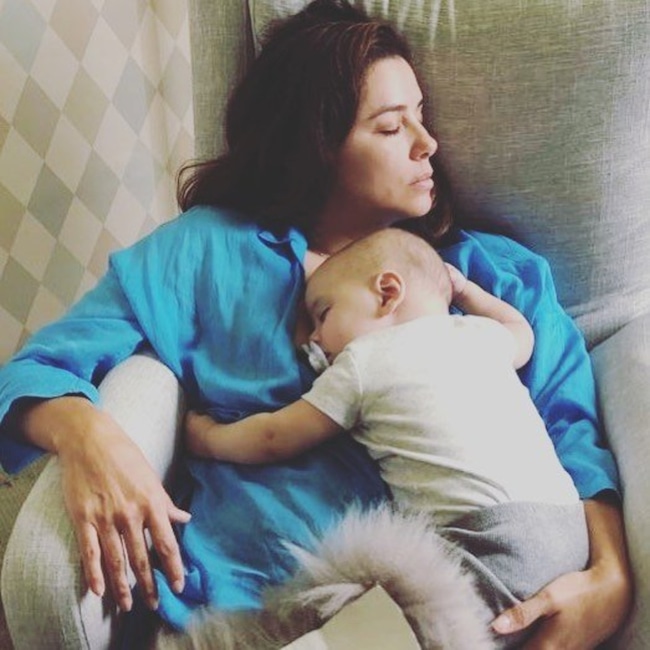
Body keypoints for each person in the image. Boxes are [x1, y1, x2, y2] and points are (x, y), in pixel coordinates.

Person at [0, 0, 631, 647]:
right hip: (257, 608)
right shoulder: (206, 253)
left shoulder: (488, 275)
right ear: (320, 146)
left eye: (421, 116)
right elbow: (34, 370)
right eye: (392, 127)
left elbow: (572, 426)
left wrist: (611, 573)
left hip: (450, 605)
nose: (428, 144)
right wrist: (90, 437)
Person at [184, 227, 590, 645]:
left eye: (323, 313)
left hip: (489, 540)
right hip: (570, 529)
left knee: (397, 626)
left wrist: (209, 438)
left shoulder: (364, 361)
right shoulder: (479, 333)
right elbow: (521, 330)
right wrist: (466, 291)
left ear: (387, 293)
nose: (315, 338)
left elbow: (275, 436)